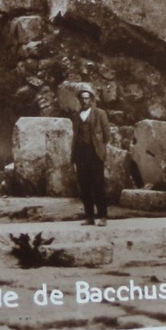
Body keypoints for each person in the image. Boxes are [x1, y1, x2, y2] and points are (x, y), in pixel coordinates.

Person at [70, 84, 109, 227]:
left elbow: (107, 135)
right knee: (84, 187)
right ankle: (89, 217)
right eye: (82, 99)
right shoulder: (76, 116)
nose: (85, 101)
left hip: (95, 155)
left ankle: (103, 216)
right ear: (79, 100)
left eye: (87, 98)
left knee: (98, 185)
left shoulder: (100, 113)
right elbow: (75, 136)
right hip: (81, 155)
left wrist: (100, 149)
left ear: (91, 99)